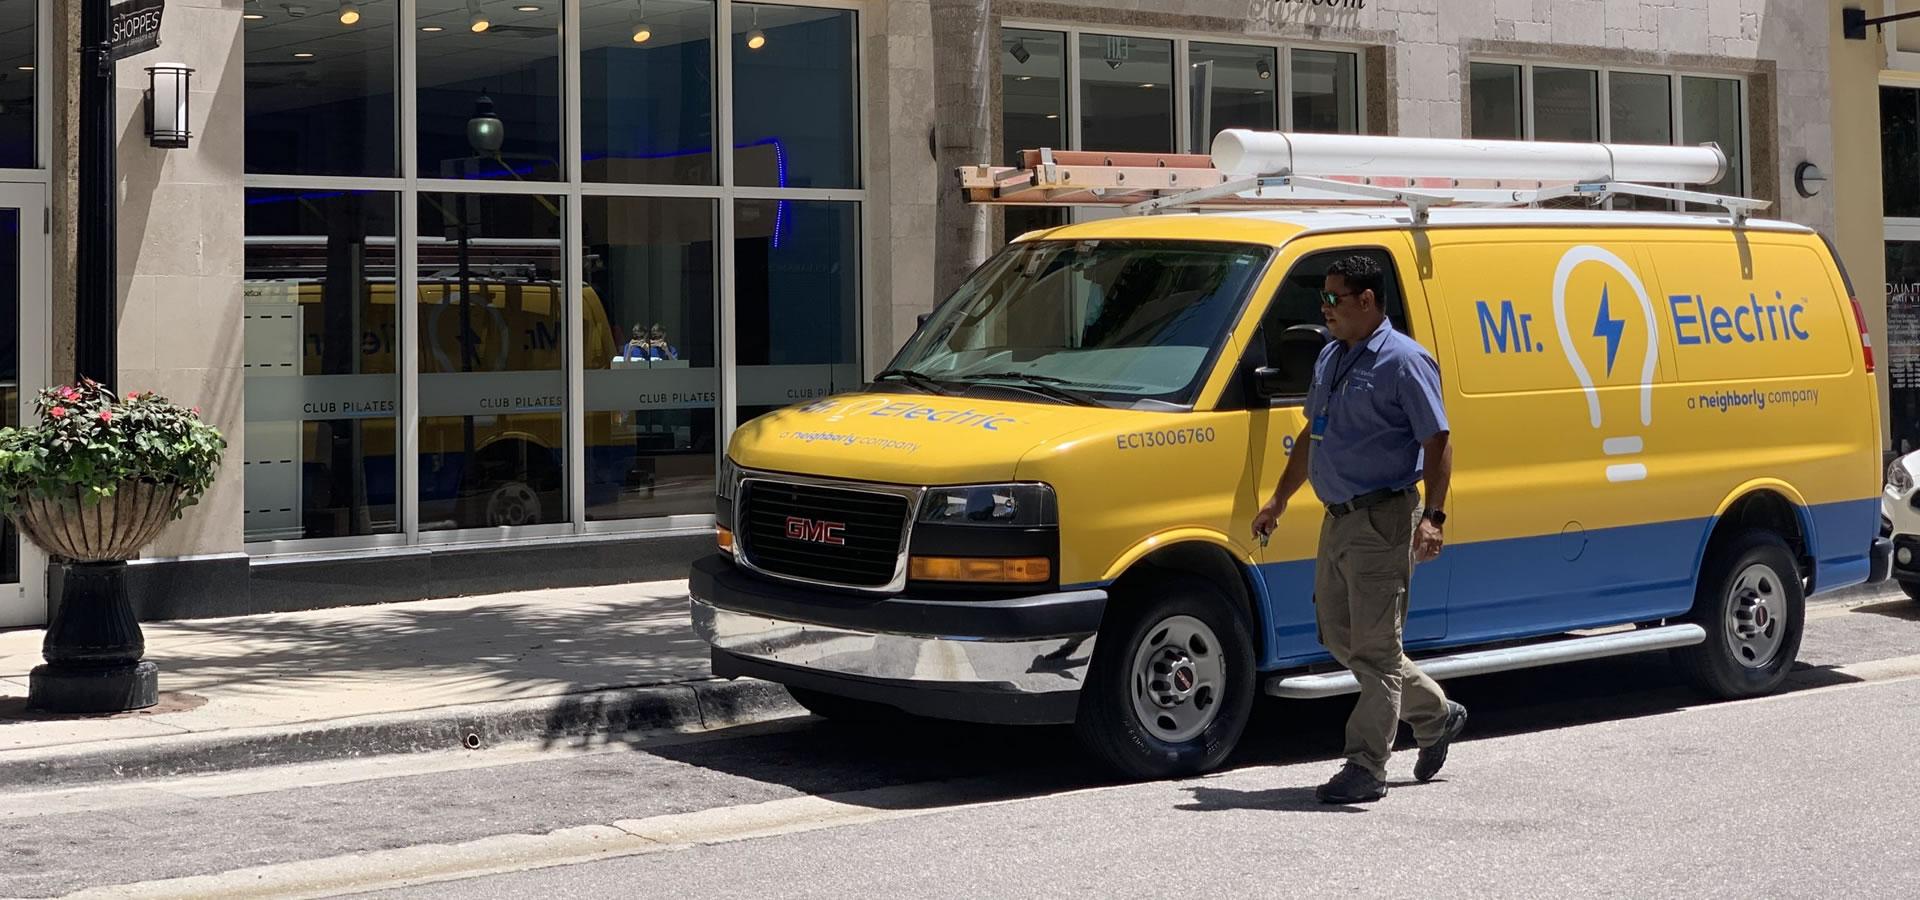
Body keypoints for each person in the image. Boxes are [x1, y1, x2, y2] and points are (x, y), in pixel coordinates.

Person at [1250, 254, 1469, 805]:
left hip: (1383, 518)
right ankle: (1437, 715)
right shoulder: (1331, 357)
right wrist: (1278, 499)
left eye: (1334, 299)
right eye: (1323, 298)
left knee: (1374, 650)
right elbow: (1311, 435)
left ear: (1367, 301)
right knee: (1339, 637)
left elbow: (1438, 443)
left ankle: (1366, 766)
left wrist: (1435, 519)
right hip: (1338, 518)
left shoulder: (1405, 361)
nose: (1324, 309)